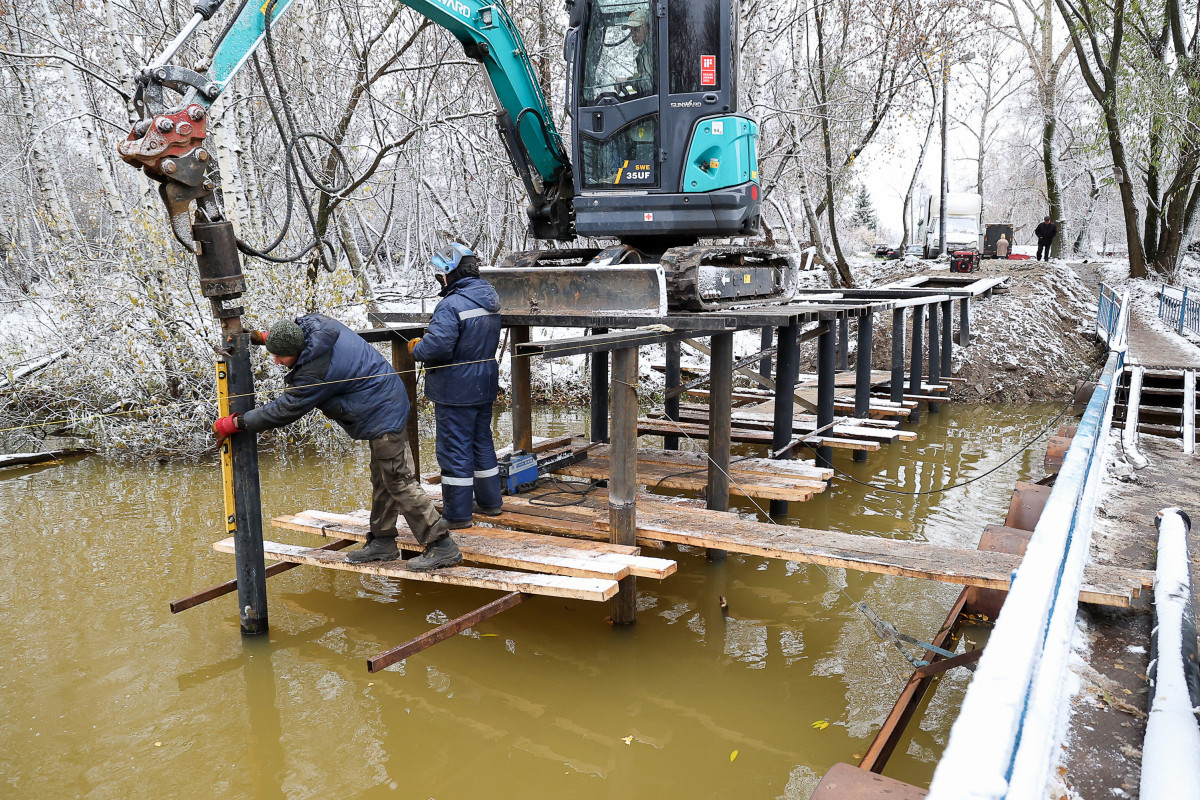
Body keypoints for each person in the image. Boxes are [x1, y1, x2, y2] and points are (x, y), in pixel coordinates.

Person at [212, 315, 462, 570]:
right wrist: (266, 338)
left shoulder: (315, 372)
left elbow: (284, 410)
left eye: (280, 356)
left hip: (382, 411)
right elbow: (292, 335)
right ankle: (383, 543)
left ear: (295, 351)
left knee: (398, 479)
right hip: (381, 400)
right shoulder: (316, 327)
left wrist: (238, 422)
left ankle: (442, 545)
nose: (275, 361)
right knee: (383, 476)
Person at [410, 243, 504, 528]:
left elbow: (437, 347)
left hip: (456, 390)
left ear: (450, 274)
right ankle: (491, 503)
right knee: (481, 443)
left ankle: (458, 515)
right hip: (483, 384)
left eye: (440, 274)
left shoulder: (451, 304)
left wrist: (417, 348)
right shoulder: (489, 298)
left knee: (454, 450)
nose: (439, 279)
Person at [618, 9, 654, 96]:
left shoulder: (655, 51)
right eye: (631, 31)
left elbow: (650, 85)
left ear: (647, 27)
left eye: (636, 29)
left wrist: (628, 82)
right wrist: (628, 81)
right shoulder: (643, 53)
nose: (633, 35)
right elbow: (644, 78)